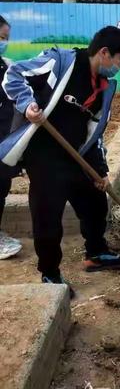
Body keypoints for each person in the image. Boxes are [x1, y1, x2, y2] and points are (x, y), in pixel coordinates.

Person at [0, 26, 120, 297]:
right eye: (119, 59)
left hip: (76, 154)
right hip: (45, 155)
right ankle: (50, 273)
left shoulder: (104, 87)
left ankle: (95, 252)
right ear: (104, 53)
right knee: (47, 216)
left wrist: (101, 171)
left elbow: (94, 134)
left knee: (95, 202)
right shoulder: (60, 62)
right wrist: (27, 104)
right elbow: (13, 74)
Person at [0, 15, 22, 259]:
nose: (4, 42)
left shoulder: (5, 66)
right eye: (2, 38)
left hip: (4, 137)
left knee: (1, 186)